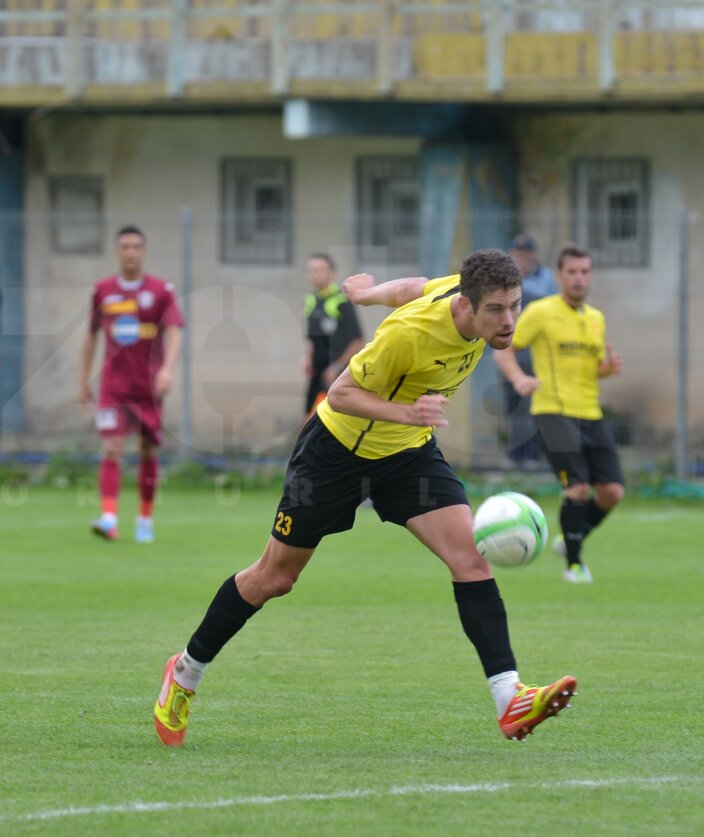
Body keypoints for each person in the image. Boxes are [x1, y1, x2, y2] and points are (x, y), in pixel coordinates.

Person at [153, 249, 576, 748]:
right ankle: (185, 672)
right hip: (336, 454)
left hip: (406, 456)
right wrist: (409, 413)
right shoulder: (409, 335)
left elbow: (414, 284)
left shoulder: (457, 292)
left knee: (471, 560)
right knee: (274, 578)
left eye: (515, 306)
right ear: (466, 305)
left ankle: (510, 699)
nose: (508, 322)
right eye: (496, 311)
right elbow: (340, 393)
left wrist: (368, 293)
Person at [494, 244, 623, 584]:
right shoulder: (541, 312)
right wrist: (519, 378)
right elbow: (503, 348)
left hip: (590, 412)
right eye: (572, 272)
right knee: (577, 488)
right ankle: (575, 566)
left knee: (612, 492)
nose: (579, 279)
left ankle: (570, 539)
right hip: (552, 410)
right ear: (559, 275)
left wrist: (607, 369)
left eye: (585, 272)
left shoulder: (596, 318)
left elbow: (593, 368)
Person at [79, 225, 184, 544]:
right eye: (124, 246)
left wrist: (167, 369)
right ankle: (109, 518)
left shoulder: (160, 290)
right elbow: (91, 336)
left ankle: (144, 519)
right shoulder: (103, 291)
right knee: (111, 447)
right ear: (116, 251)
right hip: (113, 386)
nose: (130, 252)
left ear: (144, 251)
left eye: (136, 246)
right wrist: (84, 379)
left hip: (148, 387)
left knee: (147, 449)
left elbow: (175, 329)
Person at [501, 234, 560, 465]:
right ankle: (515, 455)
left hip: (536, 354)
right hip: (510, 350)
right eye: (518, 254)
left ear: (533, 255)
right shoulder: (505, 277)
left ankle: (533, 456)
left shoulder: (546, 279)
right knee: (513, 405)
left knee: (533, 406)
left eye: (525, 254)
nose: (522, 259)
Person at [300, 253, 364, 415]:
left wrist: (336, 367)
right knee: (308, 417)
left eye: (321, 270)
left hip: (335, 374)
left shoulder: (342, 301)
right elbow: (315, 339)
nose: (316, 274)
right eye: (313, 270)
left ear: (332, 273)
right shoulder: (311, 301)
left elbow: (357, 341)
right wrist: (308, 358)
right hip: (318, 372)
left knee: (323, 419)